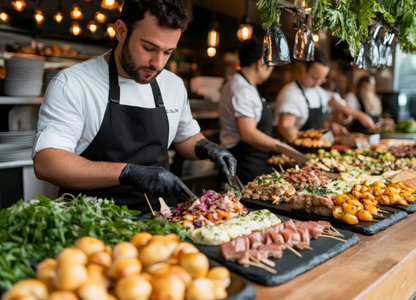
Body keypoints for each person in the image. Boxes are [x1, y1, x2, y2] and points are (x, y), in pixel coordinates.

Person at [32, 0, 236, 213]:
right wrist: (128, 172)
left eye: (167, 52)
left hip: (161, 220)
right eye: (148, 48)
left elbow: (185, 137)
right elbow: (48, 162)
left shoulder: (172, 85)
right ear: (120, 31)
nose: (157, 63)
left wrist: (208, 149)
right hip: (92, 223)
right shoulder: (74, 84)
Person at [274, 50, 376, 143]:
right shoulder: (291, 93)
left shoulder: (316, 91)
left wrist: (333, 125)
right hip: (296, 151)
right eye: (315, 78)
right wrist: (309, 144)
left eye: (322, 79)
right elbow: (285, 127)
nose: (318, 83)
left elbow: (331, 99)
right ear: (304, 70)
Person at [219, 38, 280, 183]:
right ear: (261, 64)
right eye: (271, 67)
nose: (270, 72)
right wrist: (280, 146)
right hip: (243, 165)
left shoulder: (244, 84)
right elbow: (247, 133)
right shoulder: (242, 89)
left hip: (251, 163)